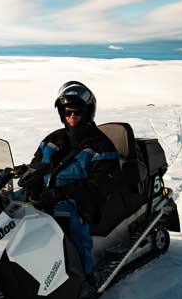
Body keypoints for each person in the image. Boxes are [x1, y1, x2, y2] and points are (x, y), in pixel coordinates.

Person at [27, 81, 120, 287]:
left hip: (83, 202)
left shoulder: (102, 147)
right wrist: (27, 179)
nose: (72, 118)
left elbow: (96, 187)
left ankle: (83, 279)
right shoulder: (52, 139)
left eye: (77, 113)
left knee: (66, 216)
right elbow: (36, 165)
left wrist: (60, 193)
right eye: (67, 113)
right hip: (48, 196)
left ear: (87, 113)